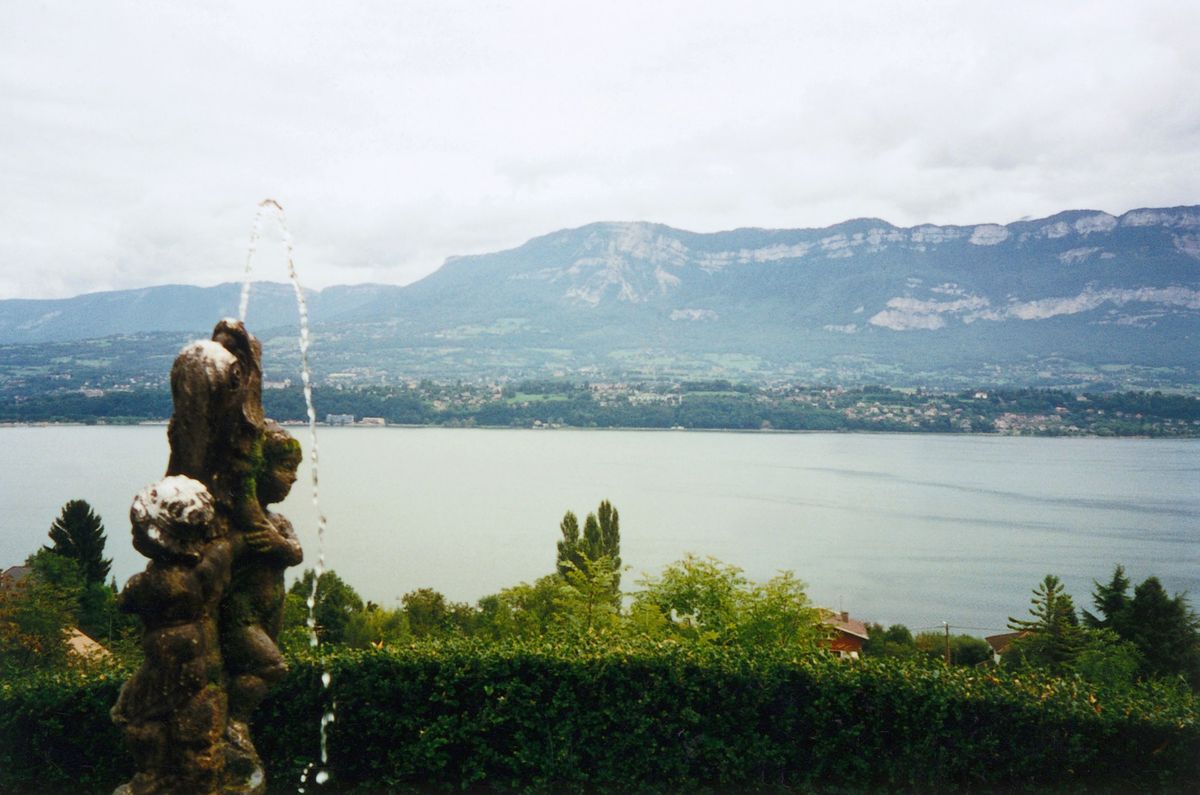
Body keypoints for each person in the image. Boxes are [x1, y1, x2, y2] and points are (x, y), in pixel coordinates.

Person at [220, 420, 304, 783]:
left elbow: (296, 553)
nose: (294, 478)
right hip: (240, 617)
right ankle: (233, 723)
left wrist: (278, 545)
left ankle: (236, 729)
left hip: (271, 612)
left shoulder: (276, 522)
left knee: (256, 669)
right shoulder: (238, 522)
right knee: (272, 667)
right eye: (286, 468)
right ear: (260, 470)